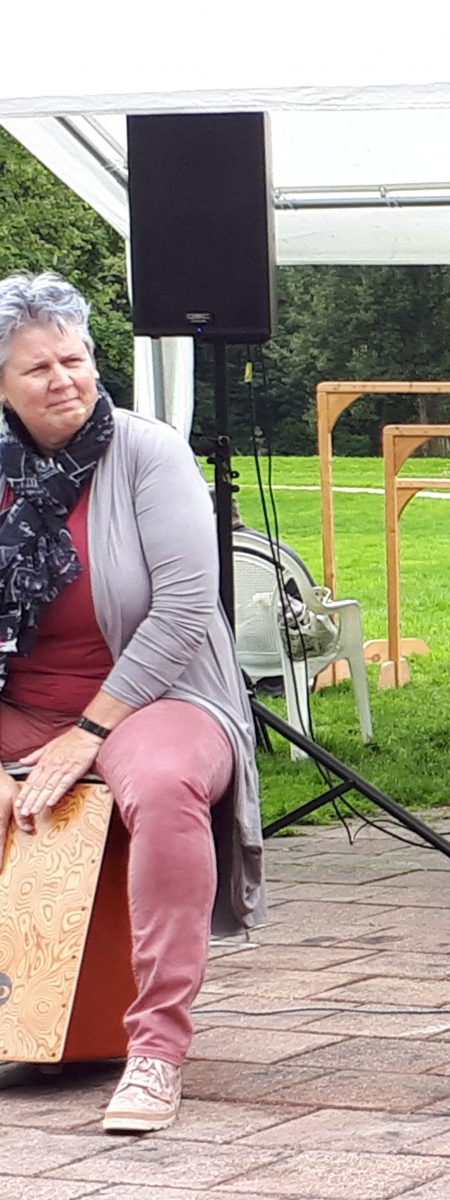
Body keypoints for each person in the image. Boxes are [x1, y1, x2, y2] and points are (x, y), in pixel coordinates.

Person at [0, 271, 263, 1134]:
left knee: (159, 786)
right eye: (38, 368)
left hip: (158, 691)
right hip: (24, 701)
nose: (65, 379)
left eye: (75, 359)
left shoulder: (148, 451)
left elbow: (188, 607)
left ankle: (155, 1051)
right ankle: (20, 1020)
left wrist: (87, 734)